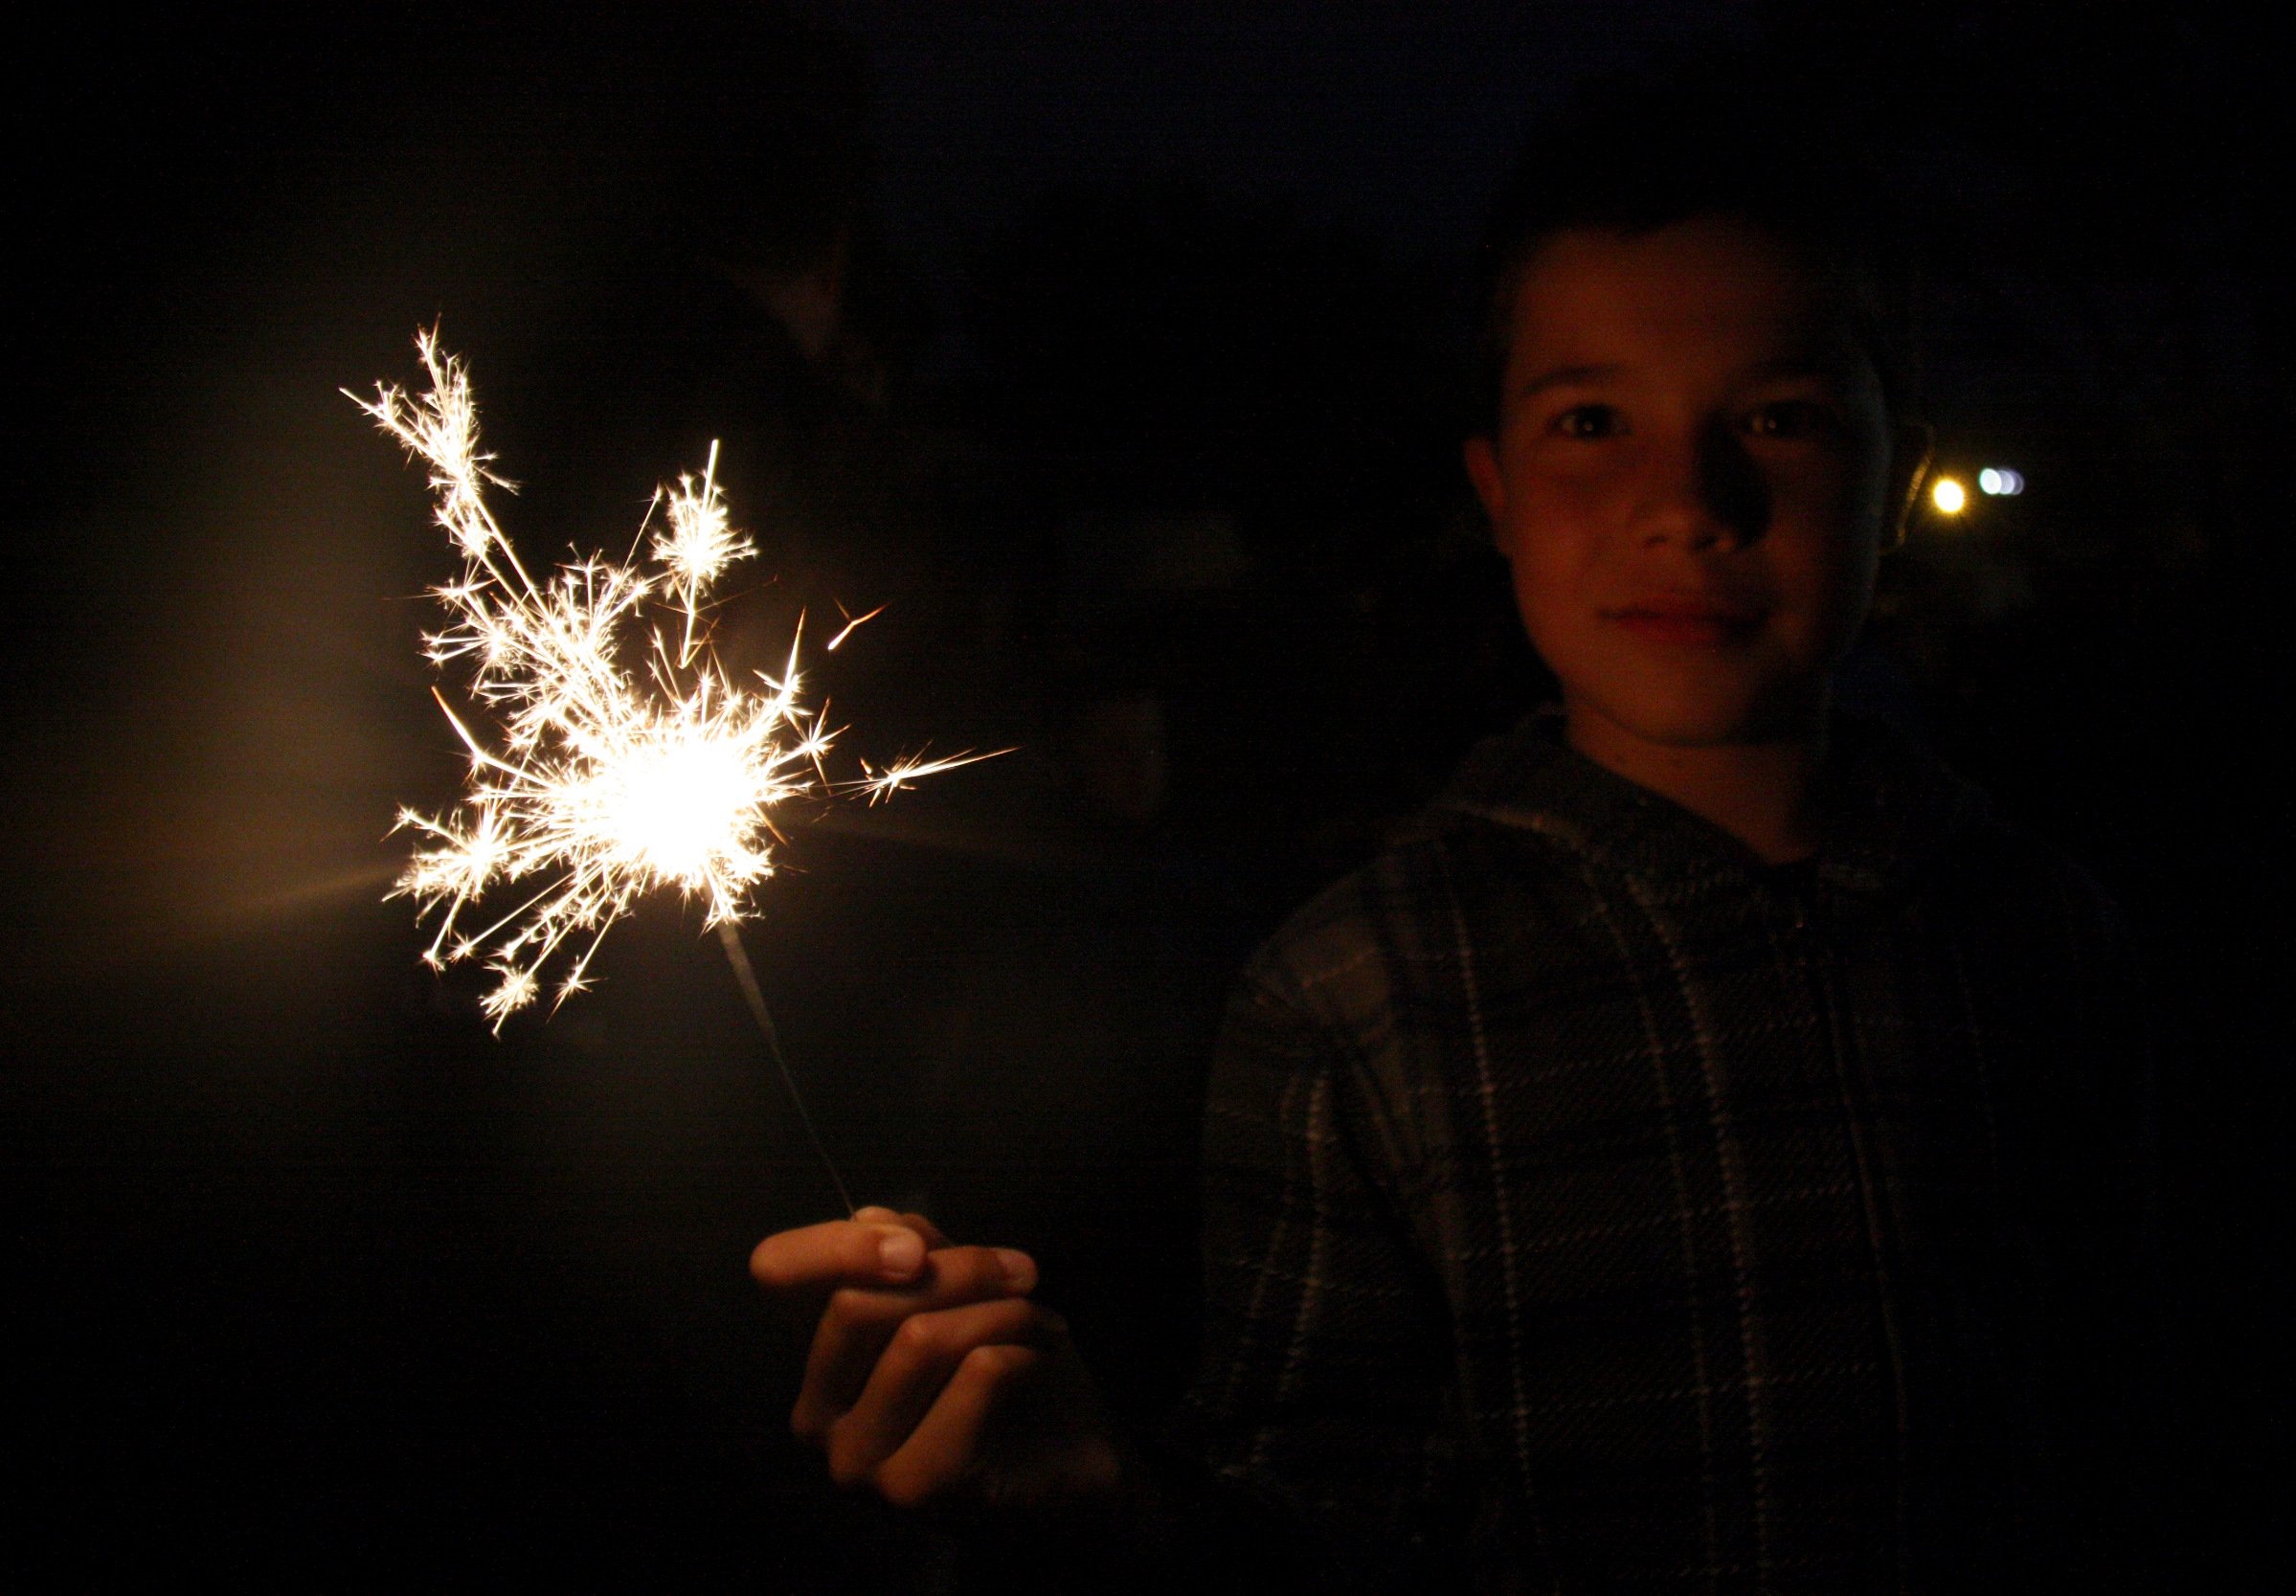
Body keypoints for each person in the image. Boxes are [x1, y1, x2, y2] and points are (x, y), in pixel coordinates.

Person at [749, 55, 2159, 1595]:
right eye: (1592, 421)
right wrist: (1102, 1501)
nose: (1685, 500)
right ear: (1492, 489)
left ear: (1896, 481)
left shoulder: (2038, 924)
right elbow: (1309, 1518)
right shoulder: (1356, 997)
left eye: (1779, 418)